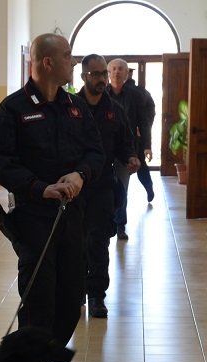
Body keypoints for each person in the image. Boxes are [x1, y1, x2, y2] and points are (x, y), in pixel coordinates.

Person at [0, 34, 105, 362]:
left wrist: (80, 175)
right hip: (35, 217)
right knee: (40, 298)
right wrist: (40, 188)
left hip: (73, 215)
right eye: (69, 57)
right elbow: (2, 162)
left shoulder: (73, 107)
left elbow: (95, 151)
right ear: (48, 63)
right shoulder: (15, 108)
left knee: (71, 297)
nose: (75, 63)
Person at [78, 55, 139, 318]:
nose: (102, 78)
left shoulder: (115, 111)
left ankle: (97, 297)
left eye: (104, 73)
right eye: (96, 74)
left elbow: (125, 144)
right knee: (74, 242)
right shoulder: (70, 107)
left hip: (102, 186)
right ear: (83, 77)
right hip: (74, 188)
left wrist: (131, 157)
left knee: (99, 242)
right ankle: (76, 290)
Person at [106, 58, 152, 240]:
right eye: (114, 69)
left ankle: (120, 225)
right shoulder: (102, 94)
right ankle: (106, 220)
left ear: (126, 73)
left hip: (125, 150)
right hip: (103, 149)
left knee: (122, 188)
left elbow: (144, 123)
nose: (117, 72)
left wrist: (147, 146)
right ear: (109, 73)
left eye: (121, 69)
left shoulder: (135, 95)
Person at [127, 67, 157, 202]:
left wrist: (143, 127)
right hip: (131, 136)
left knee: (139, 165)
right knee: (140, 166)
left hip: (135, 136)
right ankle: (149, 188)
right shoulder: (109, 90)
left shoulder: (139, 92)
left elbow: (149, 111)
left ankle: (149, 188)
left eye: (123, 70)